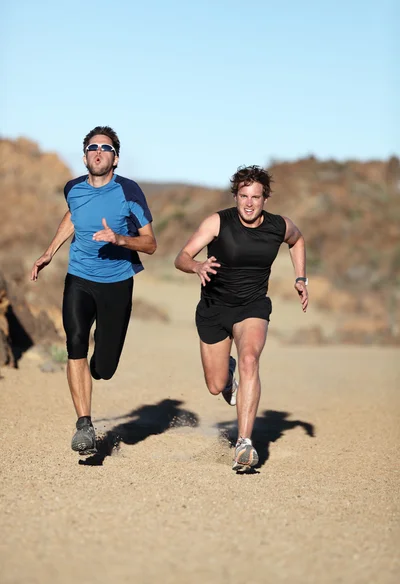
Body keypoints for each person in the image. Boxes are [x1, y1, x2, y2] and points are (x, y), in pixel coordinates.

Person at [31, 126, 156, 454]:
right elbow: (73, 215)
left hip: (116, 282)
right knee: (74, 343)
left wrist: (120, 239)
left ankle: (102, 359)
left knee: (104, 368)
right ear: (85, 154)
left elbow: (151, 243)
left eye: (105, 147)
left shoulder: (129, 192)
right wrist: (49, 252)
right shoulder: (73, 188)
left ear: (116, 157)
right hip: (80, 278)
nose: (97, 152)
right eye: (91, 147)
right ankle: (84, 425)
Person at [174, 165, 308, 471]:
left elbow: (298, 240)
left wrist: (301, 277)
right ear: (236, 196)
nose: (249, 203)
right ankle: (227, 373)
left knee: (250, 359)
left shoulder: (278, 226)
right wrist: (196, 267)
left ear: (265, 199)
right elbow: (181, 257)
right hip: (214, 308)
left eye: (256, 197)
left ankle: (244, 444)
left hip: (252, 306)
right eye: (243, 196)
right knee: (215, 383)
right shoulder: (217, 222)